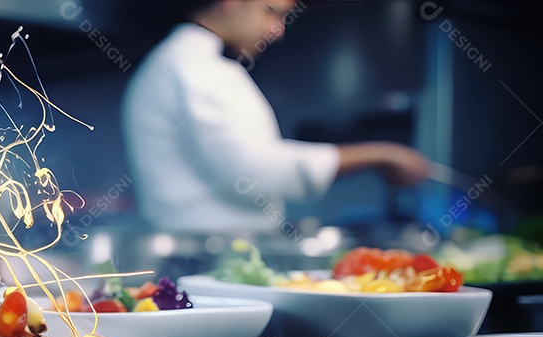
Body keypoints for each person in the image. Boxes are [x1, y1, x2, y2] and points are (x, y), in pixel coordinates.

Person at [122, 0, 431, 235]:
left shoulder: (185, 61)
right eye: (271, 11)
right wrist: (380, 155)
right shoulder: (193, 67)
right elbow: (251, 172)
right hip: (207, 255)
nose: (279, 29)